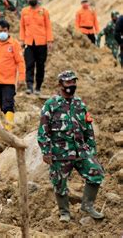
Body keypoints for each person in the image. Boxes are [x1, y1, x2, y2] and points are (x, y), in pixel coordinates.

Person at [37, 71, 105, 223]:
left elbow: (88, 128)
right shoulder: (51, 104)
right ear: (60, 84)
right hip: (60, 152)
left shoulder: (79, 104)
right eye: (68, 83)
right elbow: (43, 129)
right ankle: (64, 212)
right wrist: (46, 151)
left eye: (73, 82)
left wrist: (91, 149)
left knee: (96, 173)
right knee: (59, 183)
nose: (71, 85)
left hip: (81, 151)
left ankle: (87, 205)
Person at [0, 20, 25, 131]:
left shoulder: (14, 44)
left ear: (8, 31)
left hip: (9, 82)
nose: (3, 32)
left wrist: (21, 78)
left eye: (5, 30)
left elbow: (20, 62)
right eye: (0, 31)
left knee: (8, 105)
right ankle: (2, 128)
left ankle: (9, 129)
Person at [19, 0, 53, 95]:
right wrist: (22, 40)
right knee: (29, 64)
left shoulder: (44, 11)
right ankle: (29, 86)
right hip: (29, 43)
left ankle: (38, 87)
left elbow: (48, 27)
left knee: (40, 65)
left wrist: (49, 41)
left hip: (41, 43)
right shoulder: (24, 11)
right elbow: (22, 27)